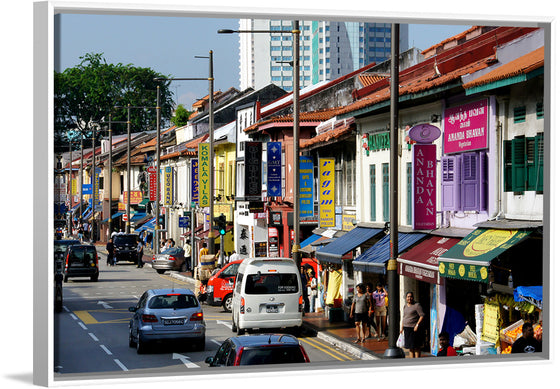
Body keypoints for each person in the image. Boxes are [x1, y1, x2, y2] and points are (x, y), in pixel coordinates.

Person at [400, 291, 425, 358]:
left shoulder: (417, 305)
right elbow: (404, 317)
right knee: (410, 347)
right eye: (408, 297)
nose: (409, 298)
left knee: (416, 347)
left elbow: (422, 315)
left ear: (413, 297)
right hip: (407, 328)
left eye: (411, 296)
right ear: (406, 298)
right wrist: (402, 328)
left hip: (414, 329)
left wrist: (417, 325)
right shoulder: (405, 306)